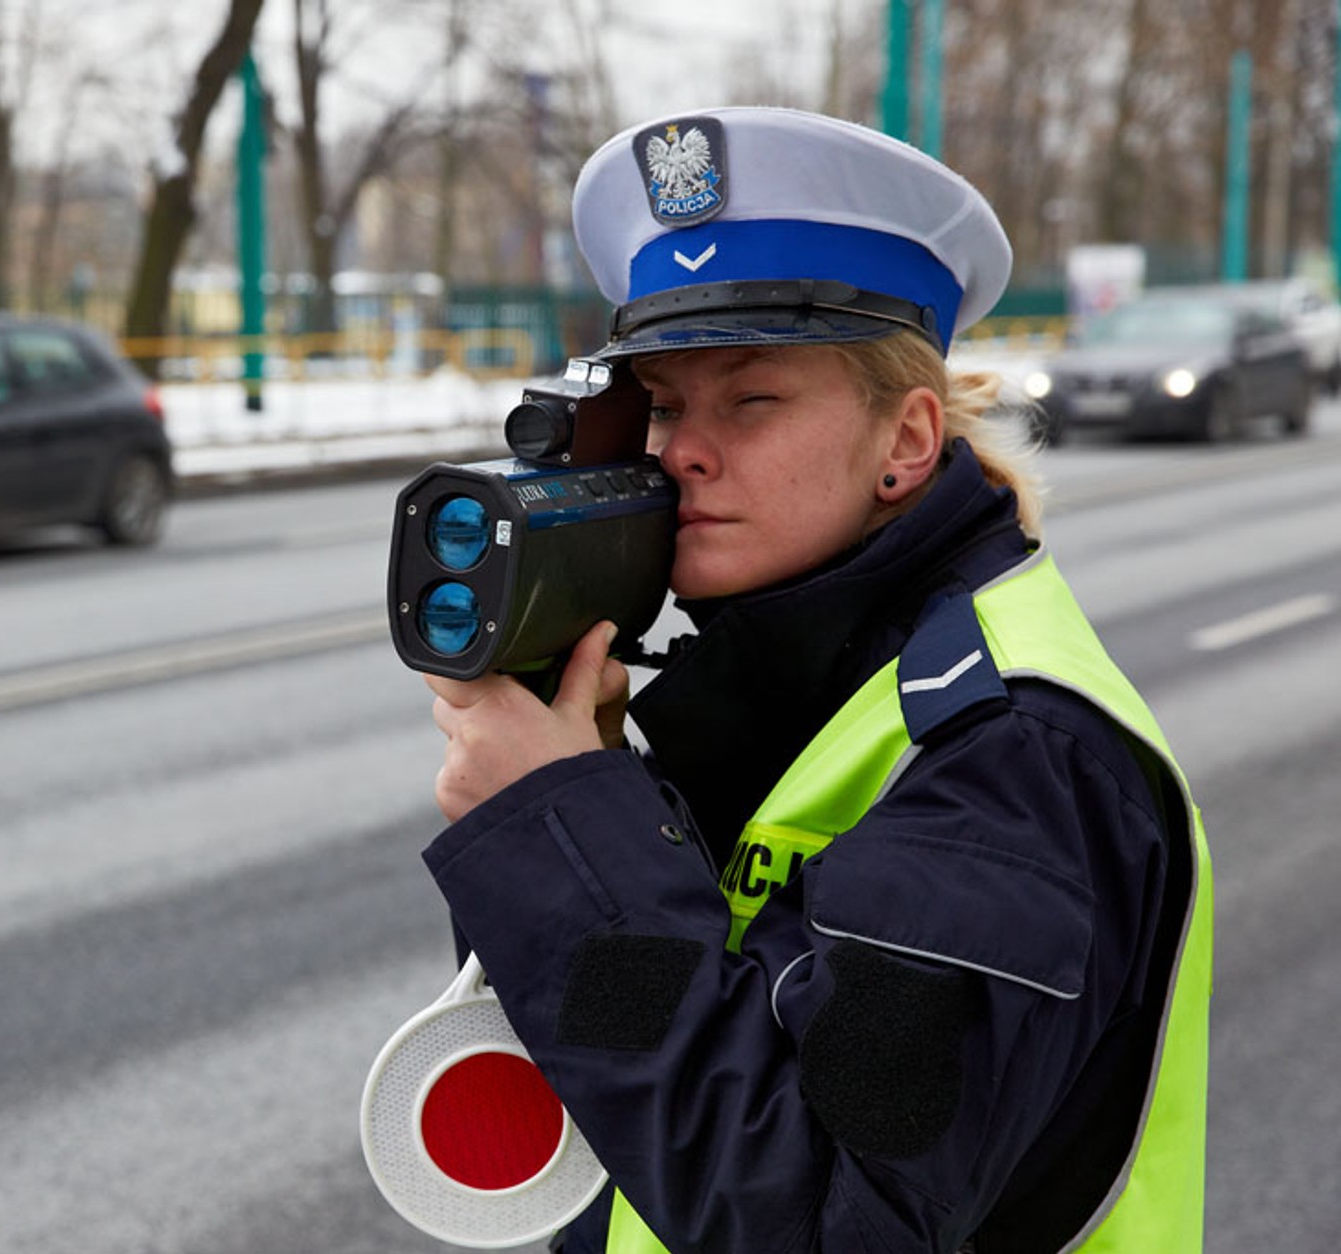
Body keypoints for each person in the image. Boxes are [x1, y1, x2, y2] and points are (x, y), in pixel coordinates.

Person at [419, 107, 1211, 1253]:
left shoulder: (1008, 753)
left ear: (904, 440)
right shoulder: (787, 682)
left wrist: (562, 832)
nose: (683, 449)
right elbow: (619, 1096)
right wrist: (584, 788)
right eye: (665, 404)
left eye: (751, 401)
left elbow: (822, 1213)